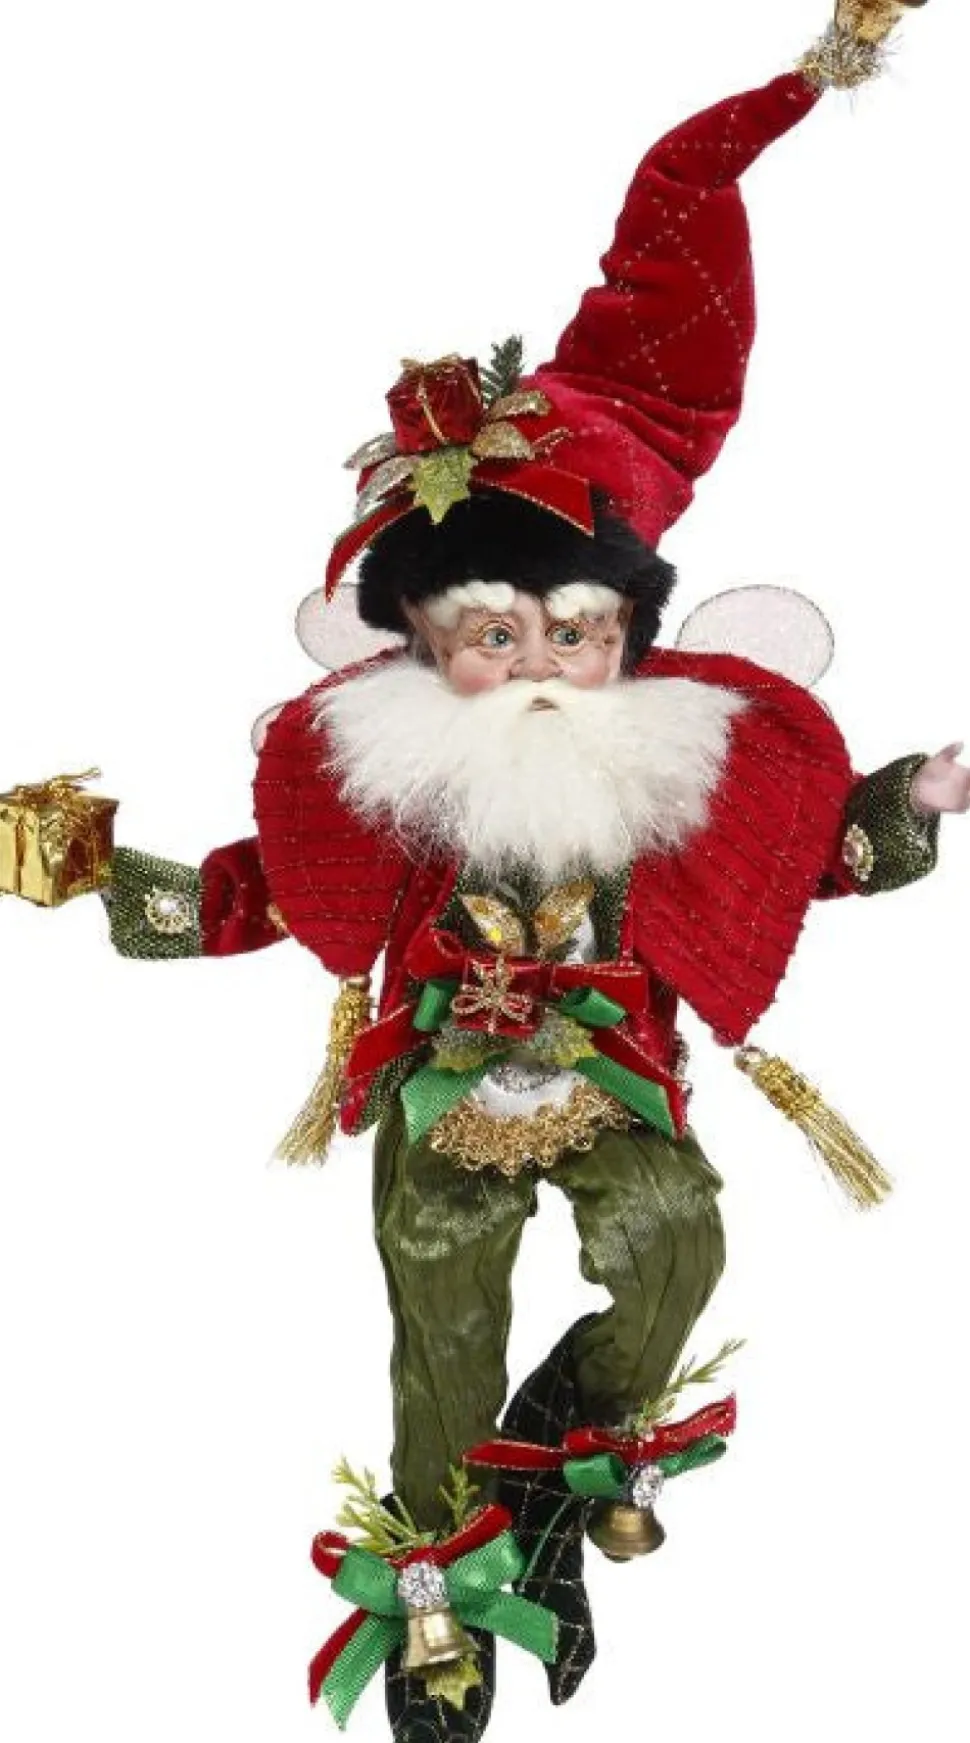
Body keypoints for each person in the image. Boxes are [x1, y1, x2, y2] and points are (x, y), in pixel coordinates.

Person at [5, 4, 967, 1739]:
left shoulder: (679, 765)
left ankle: (568, 1440)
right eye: (490, 633)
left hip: (616, 1069)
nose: (536, 662)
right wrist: (83, 869)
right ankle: (441, 1572)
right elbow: (258, 893)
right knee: (435, 1298)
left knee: (671, 1238)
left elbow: (800, 862)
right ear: (422, 641)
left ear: (623, 630)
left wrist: (920, 794)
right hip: (439, 1077)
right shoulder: (386, 785)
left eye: (572, 629)